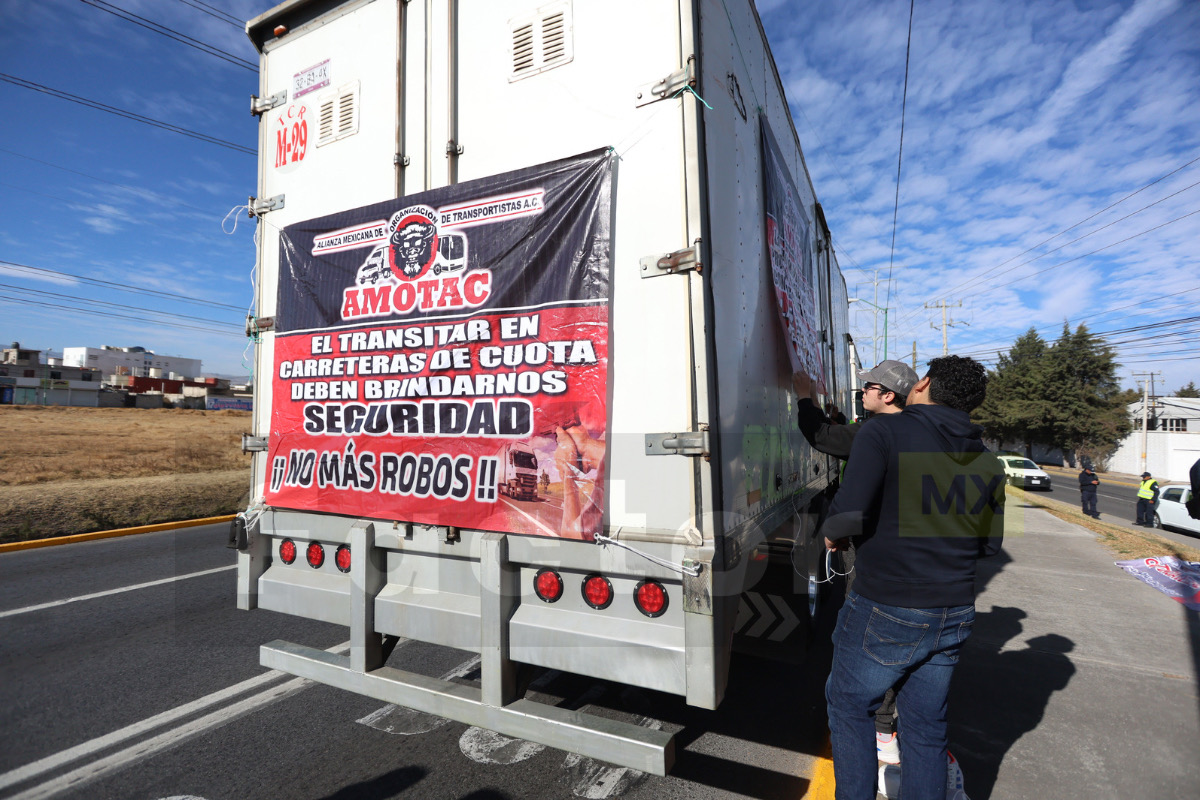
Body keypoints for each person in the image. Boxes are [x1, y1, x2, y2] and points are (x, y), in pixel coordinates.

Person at [822, 355, 1004, 800]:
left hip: (887, 605)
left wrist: (831, 537)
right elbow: (988, 545)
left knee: (850, 708)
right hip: (955, 611)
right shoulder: (988, 461)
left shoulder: (883, 431)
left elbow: (847, 513)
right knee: (925, 728)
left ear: (923, 385)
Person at [793, 359, 918, 766]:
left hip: (877, 562)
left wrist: (802, 396)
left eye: (868, 388)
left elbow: (822, 436)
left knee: (864, 643)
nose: (861, 392)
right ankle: (889, 727)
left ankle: (879, 730)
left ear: (887, 395)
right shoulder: (918, 432)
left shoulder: (874, 433)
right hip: (914, 561)